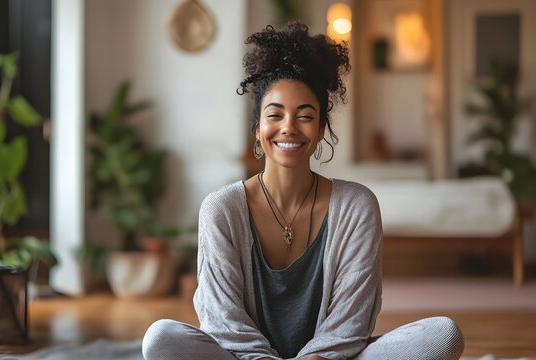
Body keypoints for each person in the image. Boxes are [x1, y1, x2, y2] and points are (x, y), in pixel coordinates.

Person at [142, 22, 464, 360]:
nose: (289, 128)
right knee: (162, 338)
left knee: (443, 336)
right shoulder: (221, 209)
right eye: (275, 114)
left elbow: (349, 325)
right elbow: (222, 320)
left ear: (322, 127)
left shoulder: (356, 205)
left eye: (305, 116)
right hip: (246, 359)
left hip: (329, 358)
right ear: (258, 128)